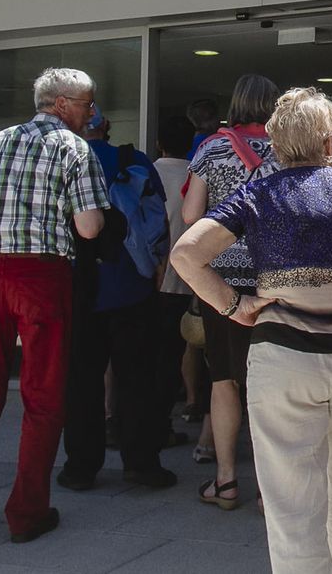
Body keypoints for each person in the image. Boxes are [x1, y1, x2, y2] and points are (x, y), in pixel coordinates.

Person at [173, 87, 332, 574]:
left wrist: (236, 305)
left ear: (274, 142)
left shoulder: (257, 194)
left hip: (284, 354)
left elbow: (186, 252)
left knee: (291, 498)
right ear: (331, 139)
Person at [0, 67, 108, 544]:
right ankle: (27, 513)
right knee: (43, 396)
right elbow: (91, 227)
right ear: (62, 104)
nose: (90, 114)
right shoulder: (75, 149)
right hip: (40, 275)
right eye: (87, 104)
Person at [56, 110, 176, 492]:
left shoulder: (61, 162)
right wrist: (158, 264)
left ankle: (80, 466)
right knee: (137, 377)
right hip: (131, 284)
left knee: (81, 381)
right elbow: (159, 220)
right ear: (107, 128)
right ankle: (141, 463)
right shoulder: (134, 161)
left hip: (77, 286)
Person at [181, 73, 281, 510]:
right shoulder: (286, 150)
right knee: (270, 383)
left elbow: (189, 214)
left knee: (224, 379)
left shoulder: (212, 149)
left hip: (221, 281)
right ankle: (267, 488)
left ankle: (225, 482)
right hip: (273, 280)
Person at [150, 116, 199, 453]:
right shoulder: (197, 174)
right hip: (192, 279)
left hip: (155, 276)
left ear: (159, 143)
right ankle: (195, 403)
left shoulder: (148, 172)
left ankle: (156, 422)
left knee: (156, 356)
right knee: (190, 350)